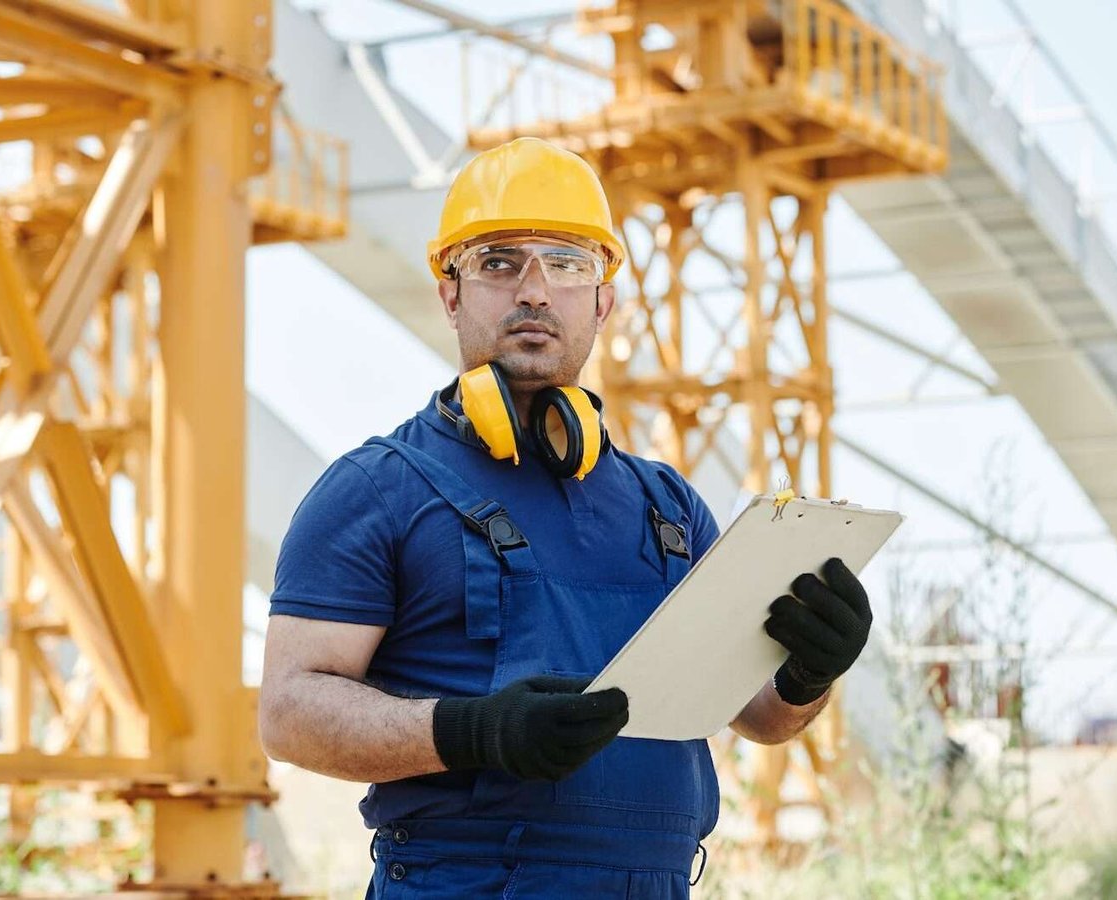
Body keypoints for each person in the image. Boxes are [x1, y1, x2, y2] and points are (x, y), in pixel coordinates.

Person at [258, 137, 873, 898]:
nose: (536, 291)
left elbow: (761, 717)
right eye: (498, 262)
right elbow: (287, 714)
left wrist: (813, 671)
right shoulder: (377, 490)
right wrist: (473, 731)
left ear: (603, 301)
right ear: (450, 293)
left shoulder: (668, 508)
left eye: (568, 263)